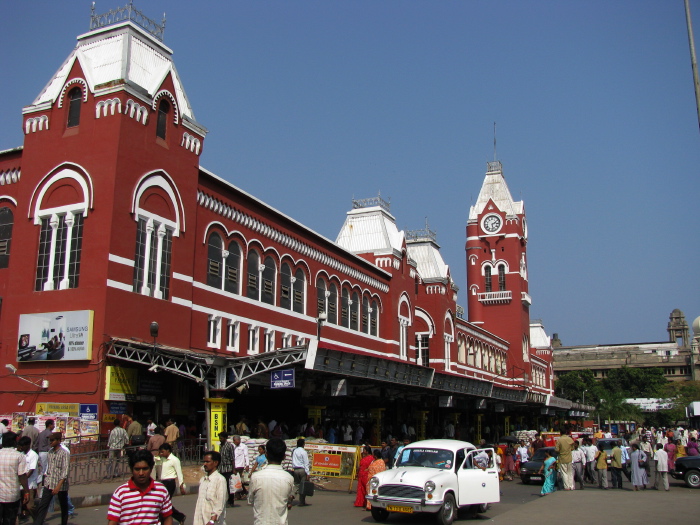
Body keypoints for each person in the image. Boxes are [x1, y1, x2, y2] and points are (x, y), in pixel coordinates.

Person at [108, 449, 173, 525]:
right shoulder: (120, 493)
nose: (141, 473)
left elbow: (168, 517)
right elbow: (112, 521)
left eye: (145, 469)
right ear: (132, 470)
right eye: (137, 469)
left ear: (151, 468)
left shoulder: (161, 490)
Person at [248, 438, 294, 525]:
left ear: (266, 454)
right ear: (284, 456)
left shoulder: (256, 477)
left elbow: (251, 500)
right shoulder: (288, 478)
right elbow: (288, 500)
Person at [32, 433, 69, 525]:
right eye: (50, 440)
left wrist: (58, 486)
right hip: (49, 483)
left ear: (58, 441)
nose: (50, 442)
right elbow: (48, 468)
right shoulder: (50, 452)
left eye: (53, 440)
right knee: (42, 506)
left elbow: (65, 471)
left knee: (63, 507)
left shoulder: (64, 453)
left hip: (60, 485)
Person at [0, 432, 29, 525]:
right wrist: (26, 491)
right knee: (9, 520)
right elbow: (22, 476)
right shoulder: (19, 456)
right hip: (11, 496)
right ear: (14, 442)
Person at [194, 451, 226, 525]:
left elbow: (220, 503)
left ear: (215, 463)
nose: (204, 464)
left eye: (207, 462)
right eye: (204, 461)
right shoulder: (203, 480)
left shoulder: (220, 480)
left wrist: (212, 520)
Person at [157, 443, 186, 524]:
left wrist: (181, 485)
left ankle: (176, 517)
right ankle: (180, 517)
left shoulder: (174, 460)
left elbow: (179, 473)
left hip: (170, 483)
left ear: (168, 451)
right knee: (163, 503)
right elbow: (156, 462)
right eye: (160, 452)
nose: (161, 454)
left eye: (162, 452)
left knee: (164, 503)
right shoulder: (163, 459)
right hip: (163, 483)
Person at [17, 436, 39, 520]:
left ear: (28, 445)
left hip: (29, 484)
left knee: (30, 505)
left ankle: (37, 519)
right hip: (20, 484)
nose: (21, 447)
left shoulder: (33, 455)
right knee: (21, 503)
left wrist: (22, 480)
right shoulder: (20, 454)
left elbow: (31, 470)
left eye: (22, 446)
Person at [291, 439, 310, 507]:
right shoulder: (303, 452)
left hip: (295, 470)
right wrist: (308, 473)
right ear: (303, 444)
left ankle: (292, 496)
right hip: (302, 470)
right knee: (303, 486)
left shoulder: (294, 451)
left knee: (296, 485)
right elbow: (306, 463)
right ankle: (302, 501)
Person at [217, 433, 234, 506]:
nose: (220, 439)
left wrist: (234, 469)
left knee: (229, 486)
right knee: (222, 485)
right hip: (221, 468)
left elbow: (232, 458)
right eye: (219, 438)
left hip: (228, 469)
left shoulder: (230, 446)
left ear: (225, 438)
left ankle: (231, 501)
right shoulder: (221, 446)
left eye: (221, 438)